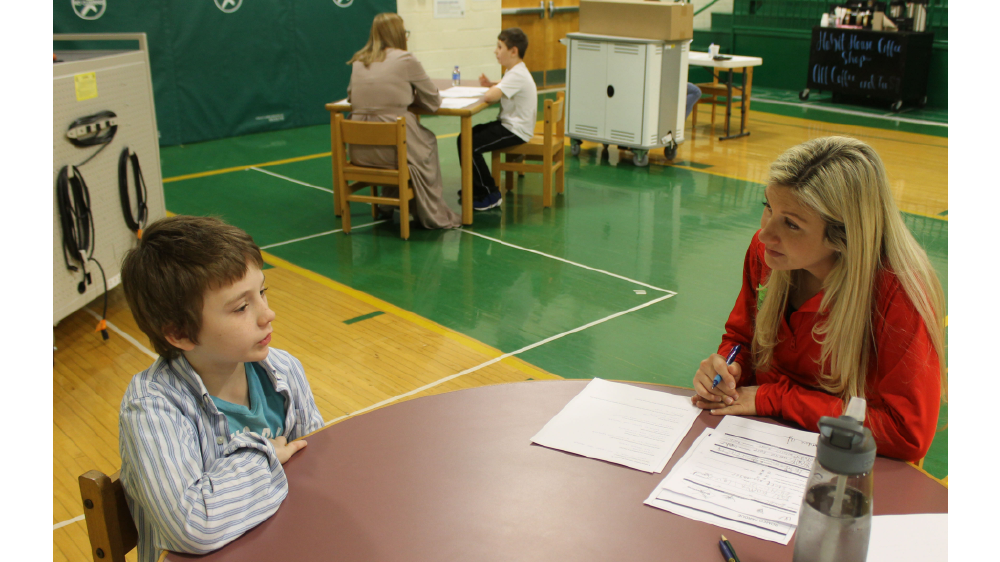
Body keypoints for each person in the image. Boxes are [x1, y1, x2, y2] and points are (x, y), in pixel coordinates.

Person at [691, 136, 945, 462]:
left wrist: (777, 399)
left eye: (792, 224)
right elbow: (743, 338)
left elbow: (906, 433)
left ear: (843, 236)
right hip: (760, 445)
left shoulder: (898, 291)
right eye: (768, 206)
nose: (766, 233)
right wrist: (727, 369)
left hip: (848, 468)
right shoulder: (766, 253)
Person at [118, 216, 324, 562]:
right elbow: (193, 525)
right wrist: (266, 455)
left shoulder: (284, 369)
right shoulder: (152, 408)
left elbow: (317, 466)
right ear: (180, 334)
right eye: (242, 307)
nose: (267, 314)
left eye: (262, 292)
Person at [347, 13, 461, 230]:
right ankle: (430, 210)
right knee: (427, 142)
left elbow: (352, 98)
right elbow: (434, 101)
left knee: (401, 142)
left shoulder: (358, 61)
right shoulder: (405, 60)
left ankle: (387, 206)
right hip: (392, 151)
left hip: (360, 152)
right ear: (400, 34)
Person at [457, 27, 538, 211]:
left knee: (470, 143)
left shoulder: (516, 73)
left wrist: (491, 88)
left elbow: (490, 97)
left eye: (499, 47)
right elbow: (502, 87)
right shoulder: (515, 71)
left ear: (513, 51)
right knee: (465, 138)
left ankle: (489, 194)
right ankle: (476, 188)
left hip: (515, 130)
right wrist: (492, 84)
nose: (496, 51)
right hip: (511, 125)